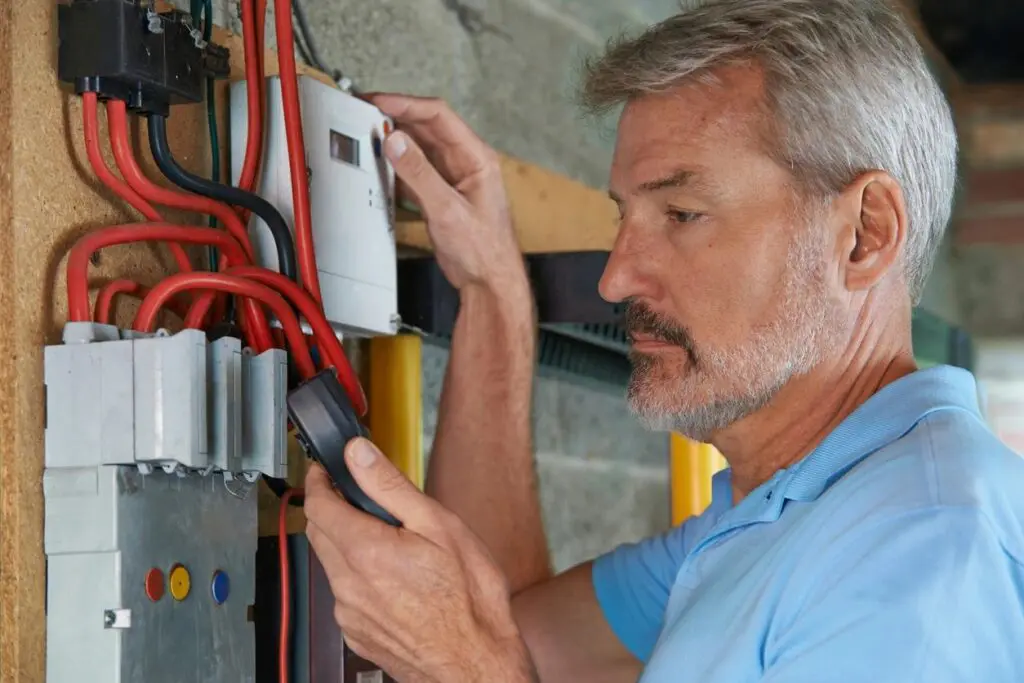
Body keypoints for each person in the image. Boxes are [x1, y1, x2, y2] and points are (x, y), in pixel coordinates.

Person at [302, 0, 1024, 680]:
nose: (616, 279)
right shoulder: (784, 507)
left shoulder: (919, 556)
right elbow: (519, 636)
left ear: (864, 235)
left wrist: (455, 666)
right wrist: (494, 294)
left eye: (682, 213)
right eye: (626, 217)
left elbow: (484, 656)